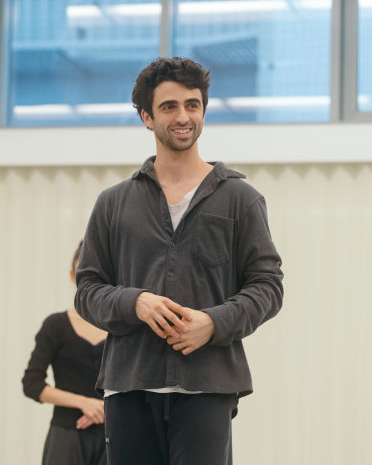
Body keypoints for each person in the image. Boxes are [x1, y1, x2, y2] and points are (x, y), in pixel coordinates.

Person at [74, 57, 284, 465]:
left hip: (208, 386)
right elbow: (88, 290)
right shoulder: (113, 203)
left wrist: (215, 322)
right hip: (129, 386)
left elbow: (268, 287)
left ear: (204, 110)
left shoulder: (240, 200)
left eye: (192, 104)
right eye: (169, 106)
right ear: (146, 117)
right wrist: (135, 302)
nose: (183, 116)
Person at [22, 241, 107, 465]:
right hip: (65, 436)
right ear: (72, 276)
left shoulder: (123, 330)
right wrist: (84, 403)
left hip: (114, 436)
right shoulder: (55, 325)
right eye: (83, 274)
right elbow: (32, 384)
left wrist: (107, 408)